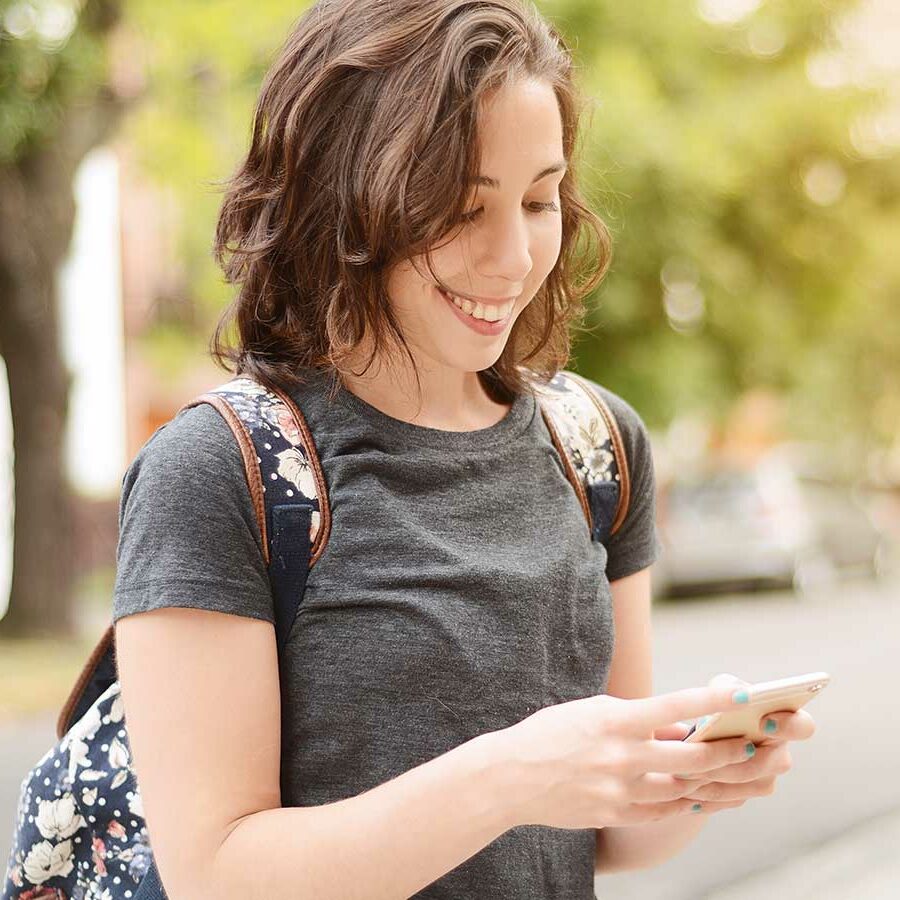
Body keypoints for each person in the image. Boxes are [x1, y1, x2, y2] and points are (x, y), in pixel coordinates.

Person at [111, 1, 816, 898]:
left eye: (538, 199)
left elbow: (614, 839)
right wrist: (511, 775)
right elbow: (217, 874)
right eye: (460, 206)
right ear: (344, 194)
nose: (515, 257)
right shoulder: (221, 471)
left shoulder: (597, 447)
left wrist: (698, 779)